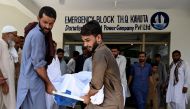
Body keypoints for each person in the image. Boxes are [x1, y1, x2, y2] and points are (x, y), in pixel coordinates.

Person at [16, 6, 57, 109]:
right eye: (45, 22)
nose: (48, 26)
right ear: (38, 18)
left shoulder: (36, 32)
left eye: (51, 23)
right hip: (32, 84)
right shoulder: (38, 35)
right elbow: (38, 66)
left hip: (29, 82)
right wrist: (49, 84)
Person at [80, 20, 124, 109]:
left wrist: (87, 96)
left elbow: (96, 84)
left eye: (88, 40)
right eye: (84, 41)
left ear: (98, 38)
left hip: (109, 102)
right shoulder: (104, 50)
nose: (85, 44)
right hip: (114, 99)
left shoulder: (100, 53)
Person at [0, 25, 17, 109]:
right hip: (3, 83)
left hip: (8, 83)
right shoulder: (0, 43)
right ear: (7, 34)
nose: (16, 38)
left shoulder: (7, 46)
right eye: (15, 35)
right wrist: (3, 81)